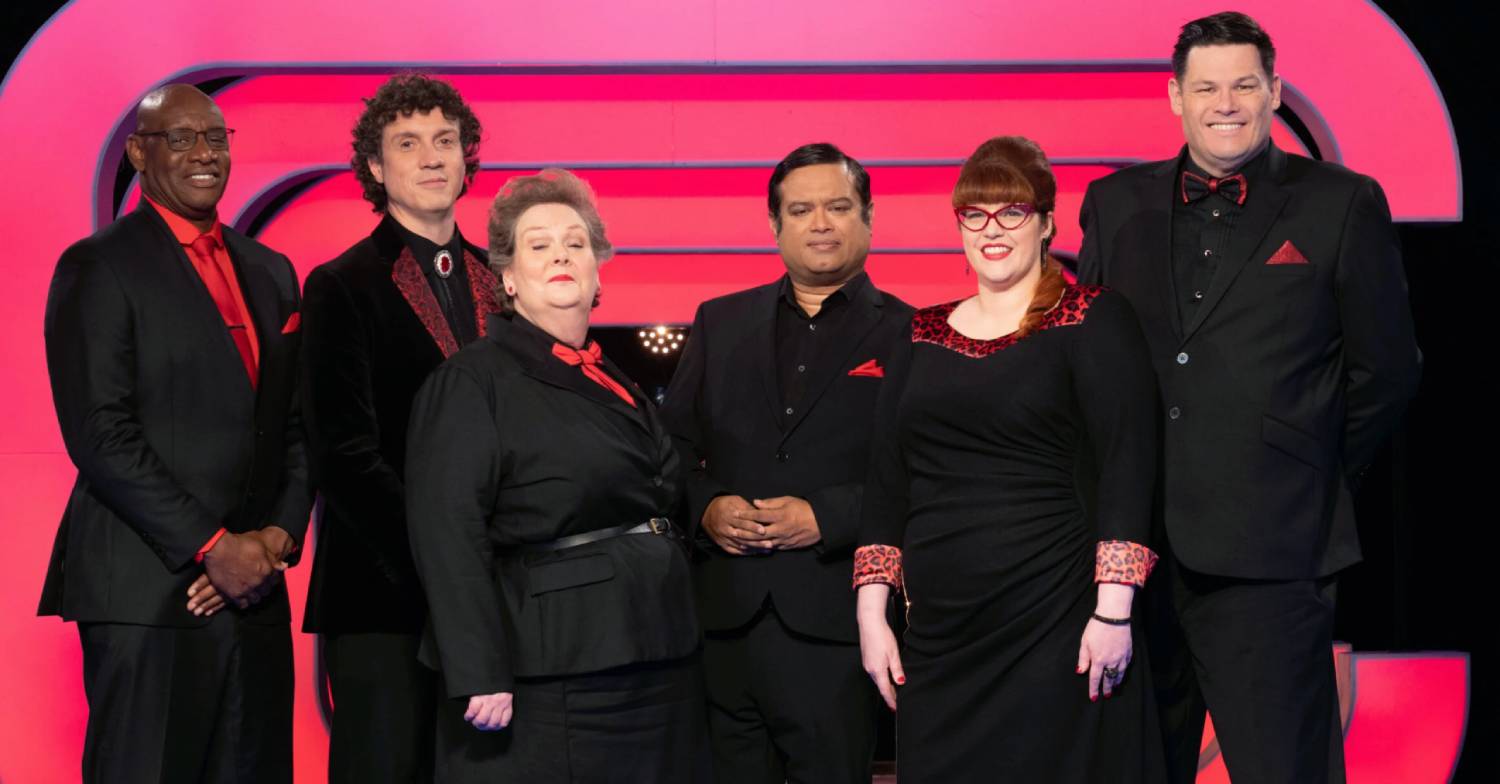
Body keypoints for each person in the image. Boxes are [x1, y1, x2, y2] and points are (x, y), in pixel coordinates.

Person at [1076, 12, 1422, 783]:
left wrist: (1304, 469)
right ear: (1175, 97)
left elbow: (1387, 370)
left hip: (1274, 555)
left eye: (1242, 84)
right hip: (1134, 562)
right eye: (1205, 86)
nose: (1223, 102)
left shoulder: (1341, 202)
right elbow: (1093, 368)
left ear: (1272, 92)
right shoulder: (1113, 204)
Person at [855, 136, 1164, 782]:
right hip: (942, 637)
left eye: (1012, 212)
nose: (991, 230)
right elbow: (888, 481)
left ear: (1047, 222)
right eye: (975, 213)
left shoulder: (1093, 317)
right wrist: (870, 614)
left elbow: (1127, 465)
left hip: (1054, 622)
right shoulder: (917, 334)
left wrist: (1114, 611)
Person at [38, 84, 311, 783]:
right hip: (146, 591)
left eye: (216, 139)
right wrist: (212, 547)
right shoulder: (97, 266)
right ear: (138, 152)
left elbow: (300, 425)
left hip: (254, 592)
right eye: (181, 138)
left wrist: (272, 542)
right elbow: (100, 432)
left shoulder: (271, 271)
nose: (204, 154)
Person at [405, 169, 704, 782]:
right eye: (538, 245)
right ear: (507, 277)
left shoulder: (614, 378)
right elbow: (446, 530)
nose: (561, 254)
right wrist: (478, 668)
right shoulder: (473, 380)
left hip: (654, 655)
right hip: (551, 669)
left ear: (598, 269)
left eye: (576, 243)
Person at [659, 142, 912, 784]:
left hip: (836, 628)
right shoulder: (718, 323)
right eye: (800, 210)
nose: (820, 223)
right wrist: (708, 505)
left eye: (837, 207)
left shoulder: (914, 334)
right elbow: (670, 454)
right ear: (775, 224)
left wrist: (825, 515)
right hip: (722, 625)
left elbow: (924, 473)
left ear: (870, 217)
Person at [300, 73, 498, 783]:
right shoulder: (341, 283)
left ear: (468, 158)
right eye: (408, 143)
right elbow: (343, 455)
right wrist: (441, 560)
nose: (432, 156)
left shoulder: (503, 280)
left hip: (491, 598)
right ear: (376, 169)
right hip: (385, 596)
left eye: (446, 140)